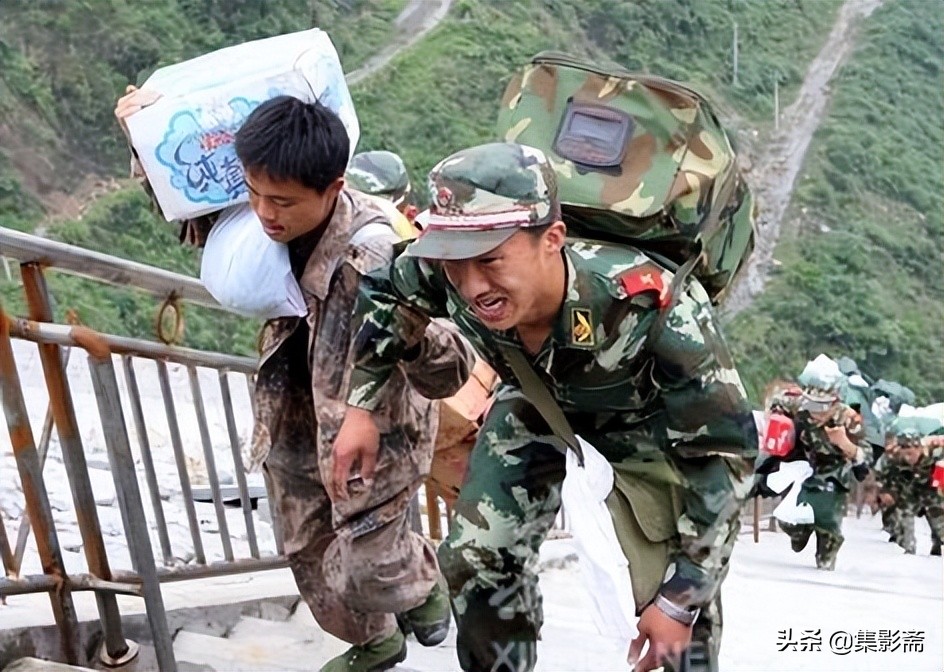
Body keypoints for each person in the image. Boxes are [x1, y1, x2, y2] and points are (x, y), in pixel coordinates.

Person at [332, 142, 758, 672]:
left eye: (490, 260)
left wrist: (682, 596)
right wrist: (361, 409)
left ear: (551, 240)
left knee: (677, 631)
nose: (470, 286)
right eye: (454, 264)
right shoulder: (445, 270)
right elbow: (383, 289)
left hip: (649, 426)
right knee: (473, 558)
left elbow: (725, 453)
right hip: (536, 404)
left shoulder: (647, 303)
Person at [115, 92, 474, 672]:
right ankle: (376, 639)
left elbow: (452, 366)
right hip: (296, 414)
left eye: (280, 201)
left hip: (379, 428)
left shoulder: (379, 252)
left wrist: (403, 329)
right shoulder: (263, 221)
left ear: (332, 188)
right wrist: (139, 137)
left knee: (364, 563)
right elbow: (190, 214)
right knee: (307, 547)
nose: (264, 212)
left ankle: (421, 579)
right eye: (254, 194)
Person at [766, 383, 871, 570]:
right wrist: (777, 415)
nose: (815, 412)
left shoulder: (850, 421)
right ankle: (800, 533)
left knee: (826, 535)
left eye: (821, 407)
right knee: (788, 519)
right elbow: (777, 400)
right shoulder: (801, 405)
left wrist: (845, 444)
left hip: (835, 475)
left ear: (834, 404)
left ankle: (827, 546)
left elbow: (866, 459)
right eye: (812, 404)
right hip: (806, 468)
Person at [875, 429, 944, 556]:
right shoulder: (891, 456)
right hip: (907, 488)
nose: (908, 458)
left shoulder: (935, 450)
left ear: (918, 448)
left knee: (938, 517)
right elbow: (881, 476)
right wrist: (885, 491)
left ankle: (938, 541)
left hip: (931, 487)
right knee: (904, 514)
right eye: (905, 453)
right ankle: (908, 547)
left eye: (911, 453)